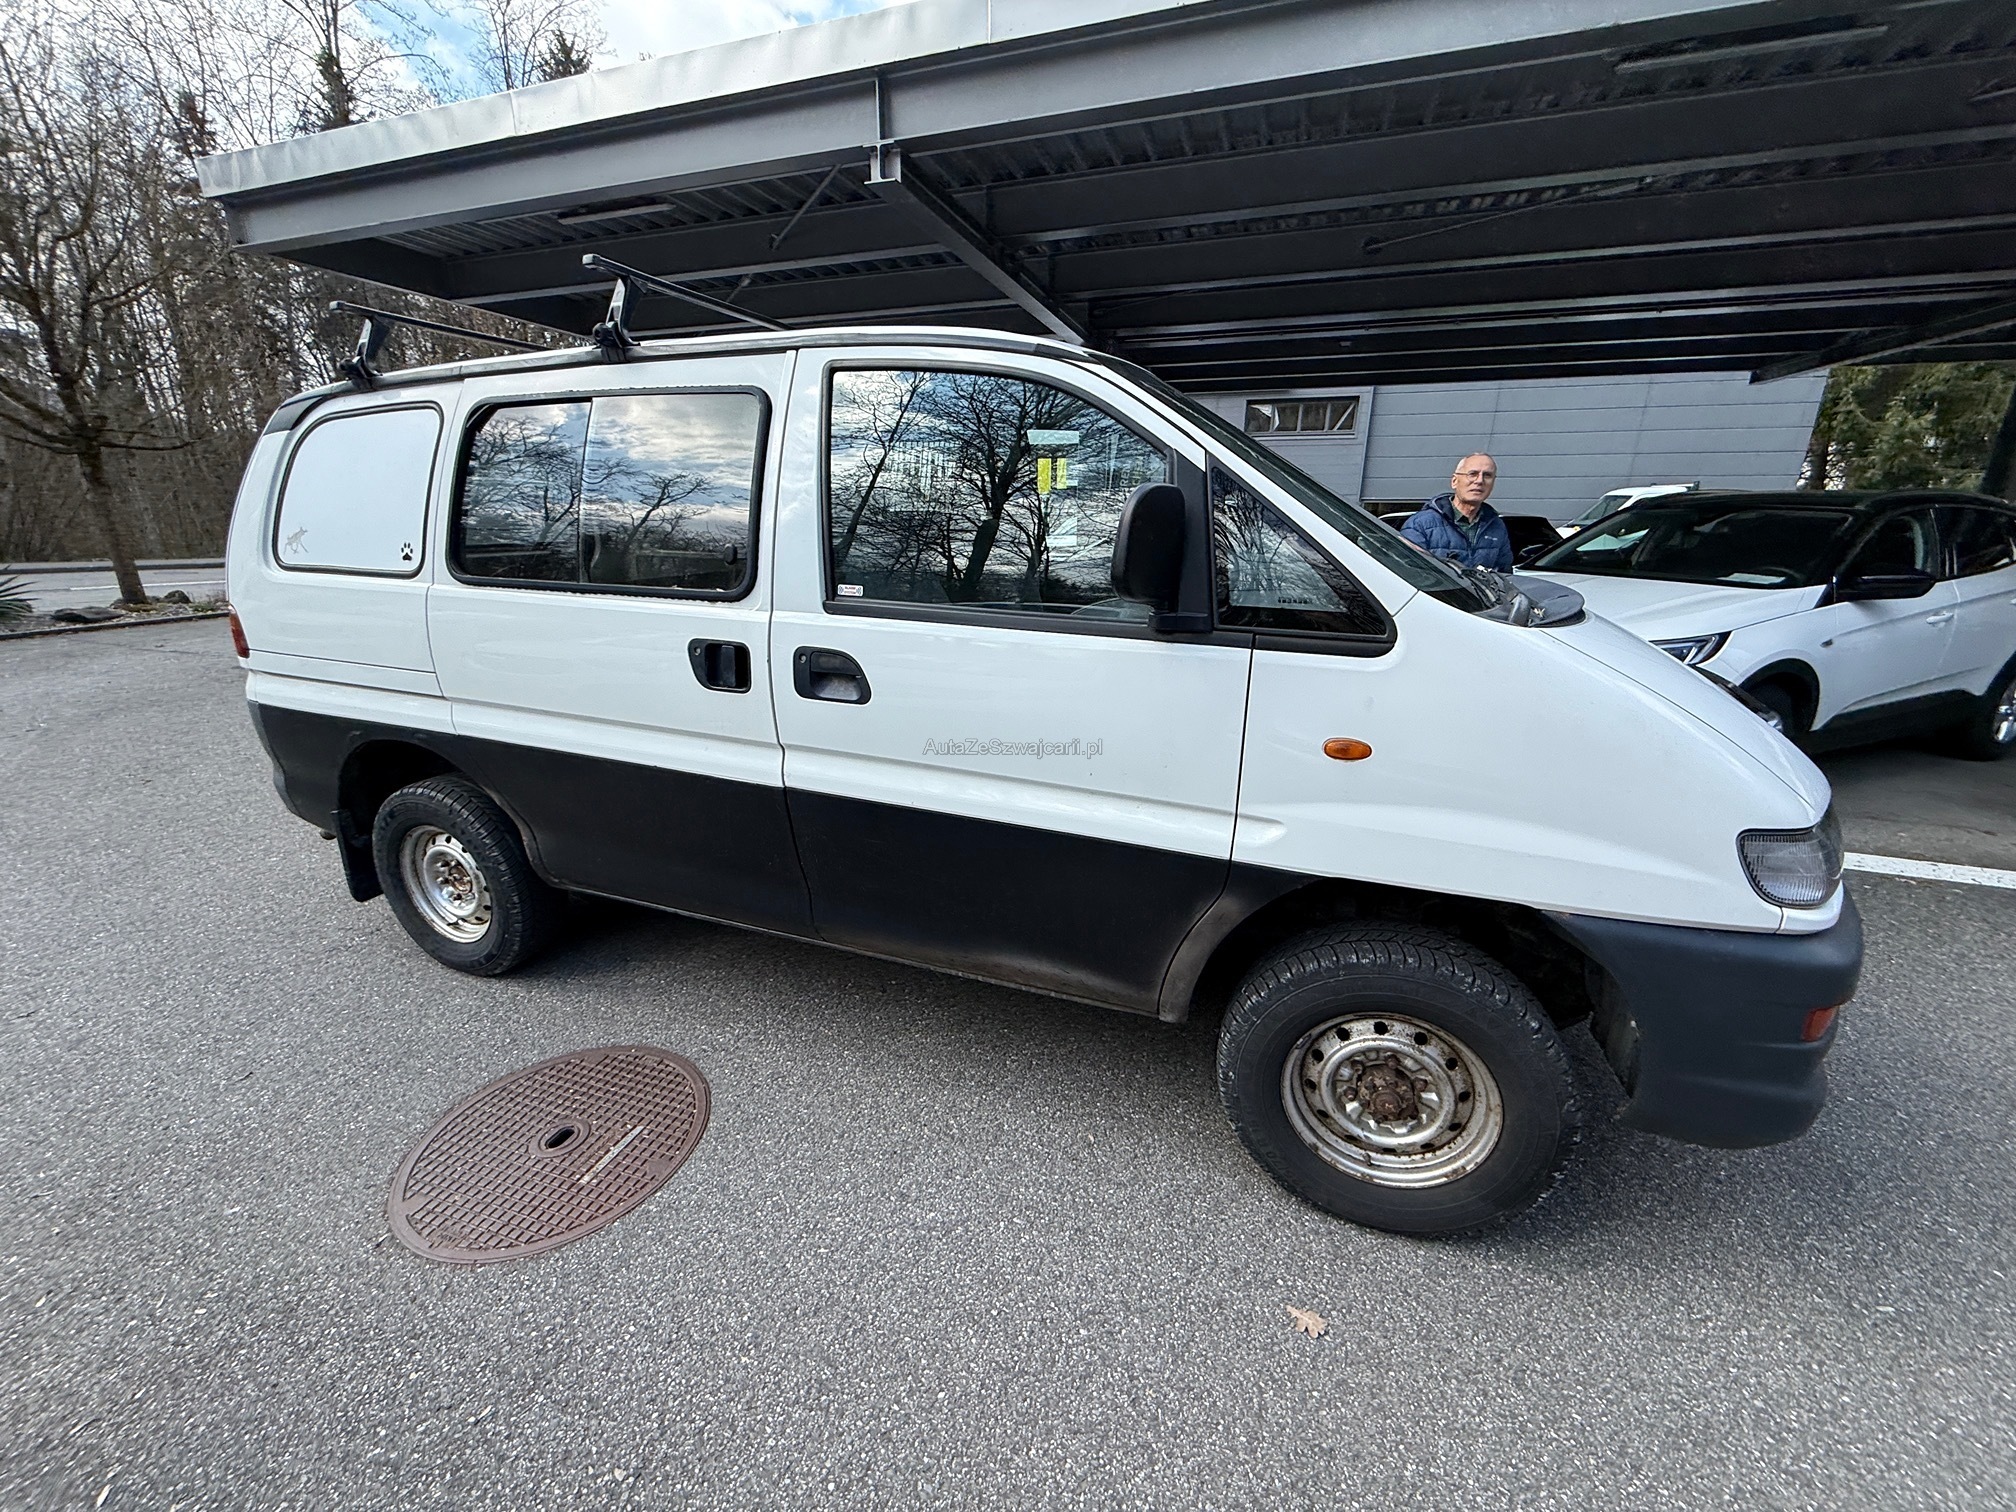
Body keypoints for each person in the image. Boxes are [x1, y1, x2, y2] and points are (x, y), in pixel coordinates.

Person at [1400, 453, 1514, 571]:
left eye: (1487, 475)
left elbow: (1504, 573)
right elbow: (1408, 572)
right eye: (1472, 474)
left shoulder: (1496, 527)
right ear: (1454, 481)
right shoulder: (1421, 524)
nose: (1480, 481)